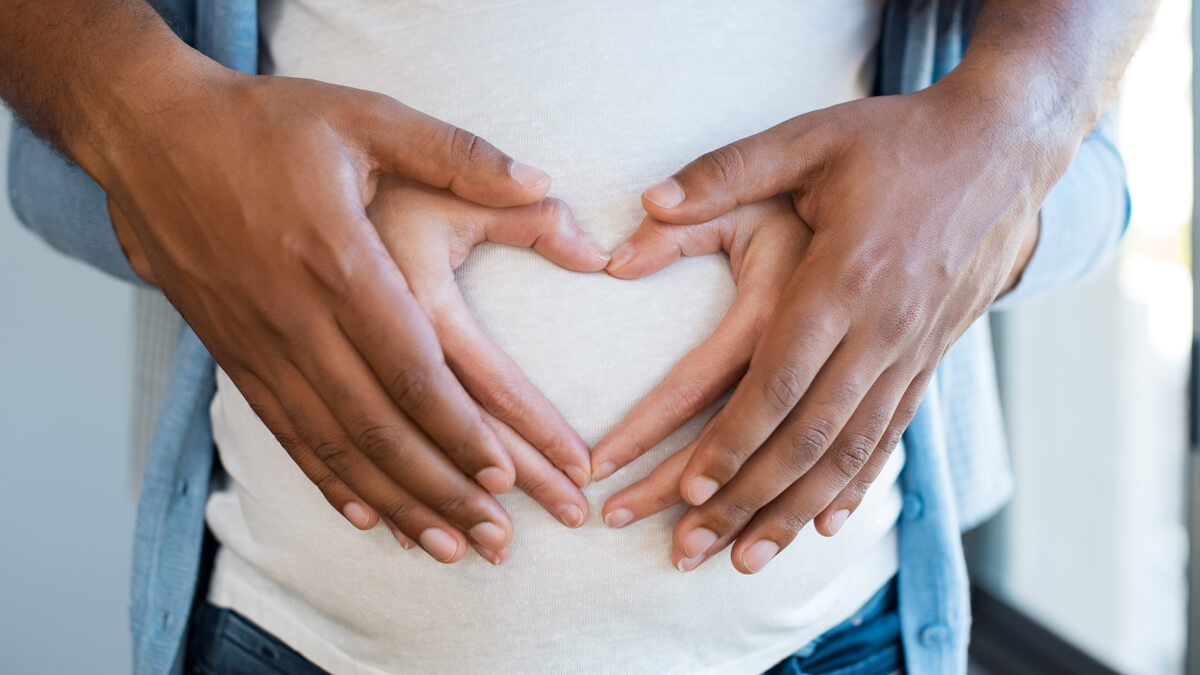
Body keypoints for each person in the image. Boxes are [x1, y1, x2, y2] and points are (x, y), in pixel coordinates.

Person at [1, 1, 1151, 673]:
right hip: (297, 637)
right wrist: (152, 130)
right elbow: (54, 170)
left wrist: (1007, 146)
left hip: (832, 636)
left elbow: (1082, 179)